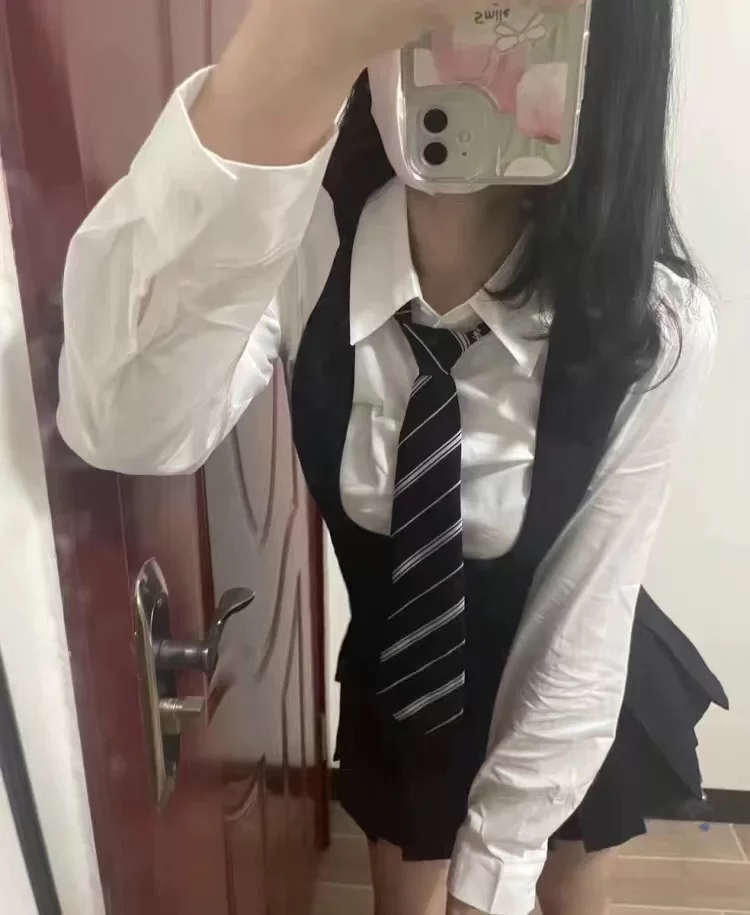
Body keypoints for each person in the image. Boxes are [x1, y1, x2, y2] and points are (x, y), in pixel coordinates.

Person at [57, 1, 728, 914]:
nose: (467, 45)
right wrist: (291, 48)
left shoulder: (657, 326)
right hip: (406, 681)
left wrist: (493, 875)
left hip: (568, 674)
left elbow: (583, 621)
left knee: (569, 887)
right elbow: (125, 421)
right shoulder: (296, 245)